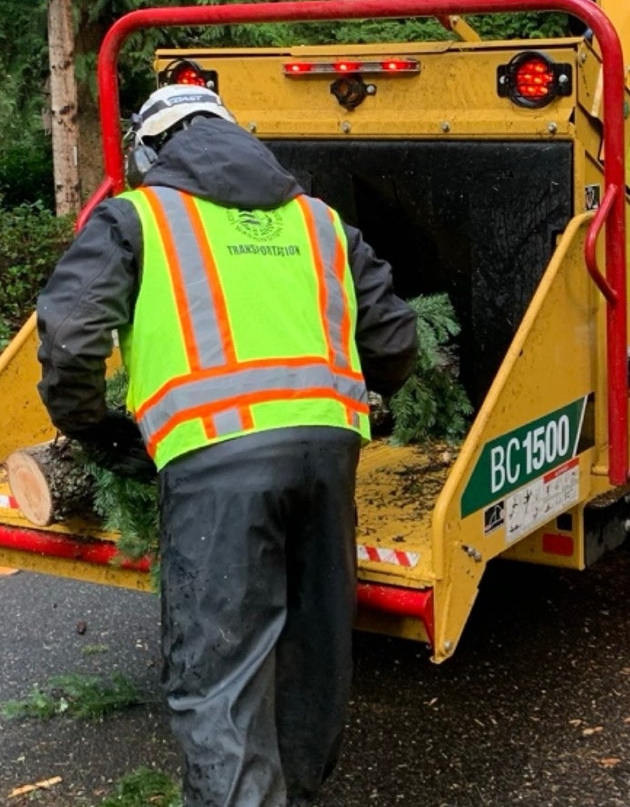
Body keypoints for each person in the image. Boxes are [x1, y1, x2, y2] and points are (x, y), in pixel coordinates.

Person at [34, 83, 419, 805]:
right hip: (329, 455)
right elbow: (396, 340)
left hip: (215, 463)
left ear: (150, 150)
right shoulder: (319, 220)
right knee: (312, 653)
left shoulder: (137, 217)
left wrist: (94, 426)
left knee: (220, 673)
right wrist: (352, 398)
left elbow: (72, 337)